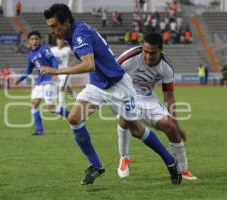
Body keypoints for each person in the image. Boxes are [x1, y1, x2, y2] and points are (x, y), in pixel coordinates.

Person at [41, 4, 182, 185]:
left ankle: (171, 162)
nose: (51, 30)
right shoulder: (73, 33)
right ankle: (96, 166)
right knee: (74, 118)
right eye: (49, 26)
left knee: (137, 130)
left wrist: (56, 71)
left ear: (66, 22)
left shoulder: (79, 34)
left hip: (119, 86)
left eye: (54, 26)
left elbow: (89, 64)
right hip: (98, 85)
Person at [116, 32, 197, 181]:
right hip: (127, 95)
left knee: (169, 127)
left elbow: (169, 97)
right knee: (126, 119)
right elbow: (111, 73)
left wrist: (177, 126)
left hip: (149, 99)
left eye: (152, 53)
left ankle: (184, 169)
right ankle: (124, 158)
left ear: (161, 50)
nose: (147, 56)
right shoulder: (129, 57)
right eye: (145, 51)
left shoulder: (166, 67)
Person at [15, 31, 69, 136]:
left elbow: (54, 61)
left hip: (49, 80)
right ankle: (40, 131)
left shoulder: (44, 49)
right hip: (40, 82)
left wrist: (55, 72)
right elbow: (28, 69)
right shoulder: (31, 54)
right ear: (29, 41)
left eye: (36, 39)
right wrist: (20, 79)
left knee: (51, 108)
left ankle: (72, 116)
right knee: (34, 104)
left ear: (40, 40)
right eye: (32, 39)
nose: (34, 41)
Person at [51, 38, 77, 106]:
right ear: (56, 40)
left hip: (66, 71)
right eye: (59, 40)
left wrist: (72, 63)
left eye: (62, 40)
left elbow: (75, 55)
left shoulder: (67, 49)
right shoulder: (52, 50)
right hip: (57, 71)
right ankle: (77, 98)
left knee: (61, 87)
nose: (60, 41)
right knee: (69, 89)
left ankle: (61, 105)